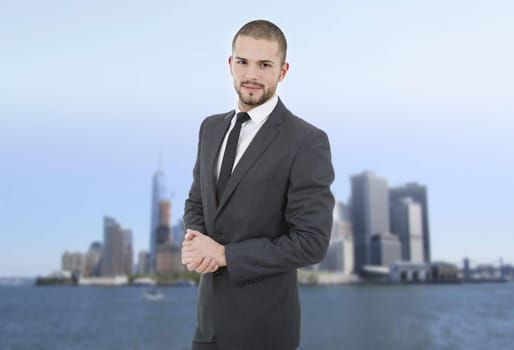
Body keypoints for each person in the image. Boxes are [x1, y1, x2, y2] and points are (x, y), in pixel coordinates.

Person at [181, 19, 335, 350]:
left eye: (264, 65)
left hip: (264, 332)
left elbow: (311, 241)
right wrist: (195, 242)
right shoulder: (209, 129)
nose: (251, 75)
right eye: (243, 62)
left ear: (283, 71)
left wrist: (225, 256)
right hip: (207, 329)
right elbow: (197, 201)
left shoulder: (306, 141)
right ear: (230, 64)